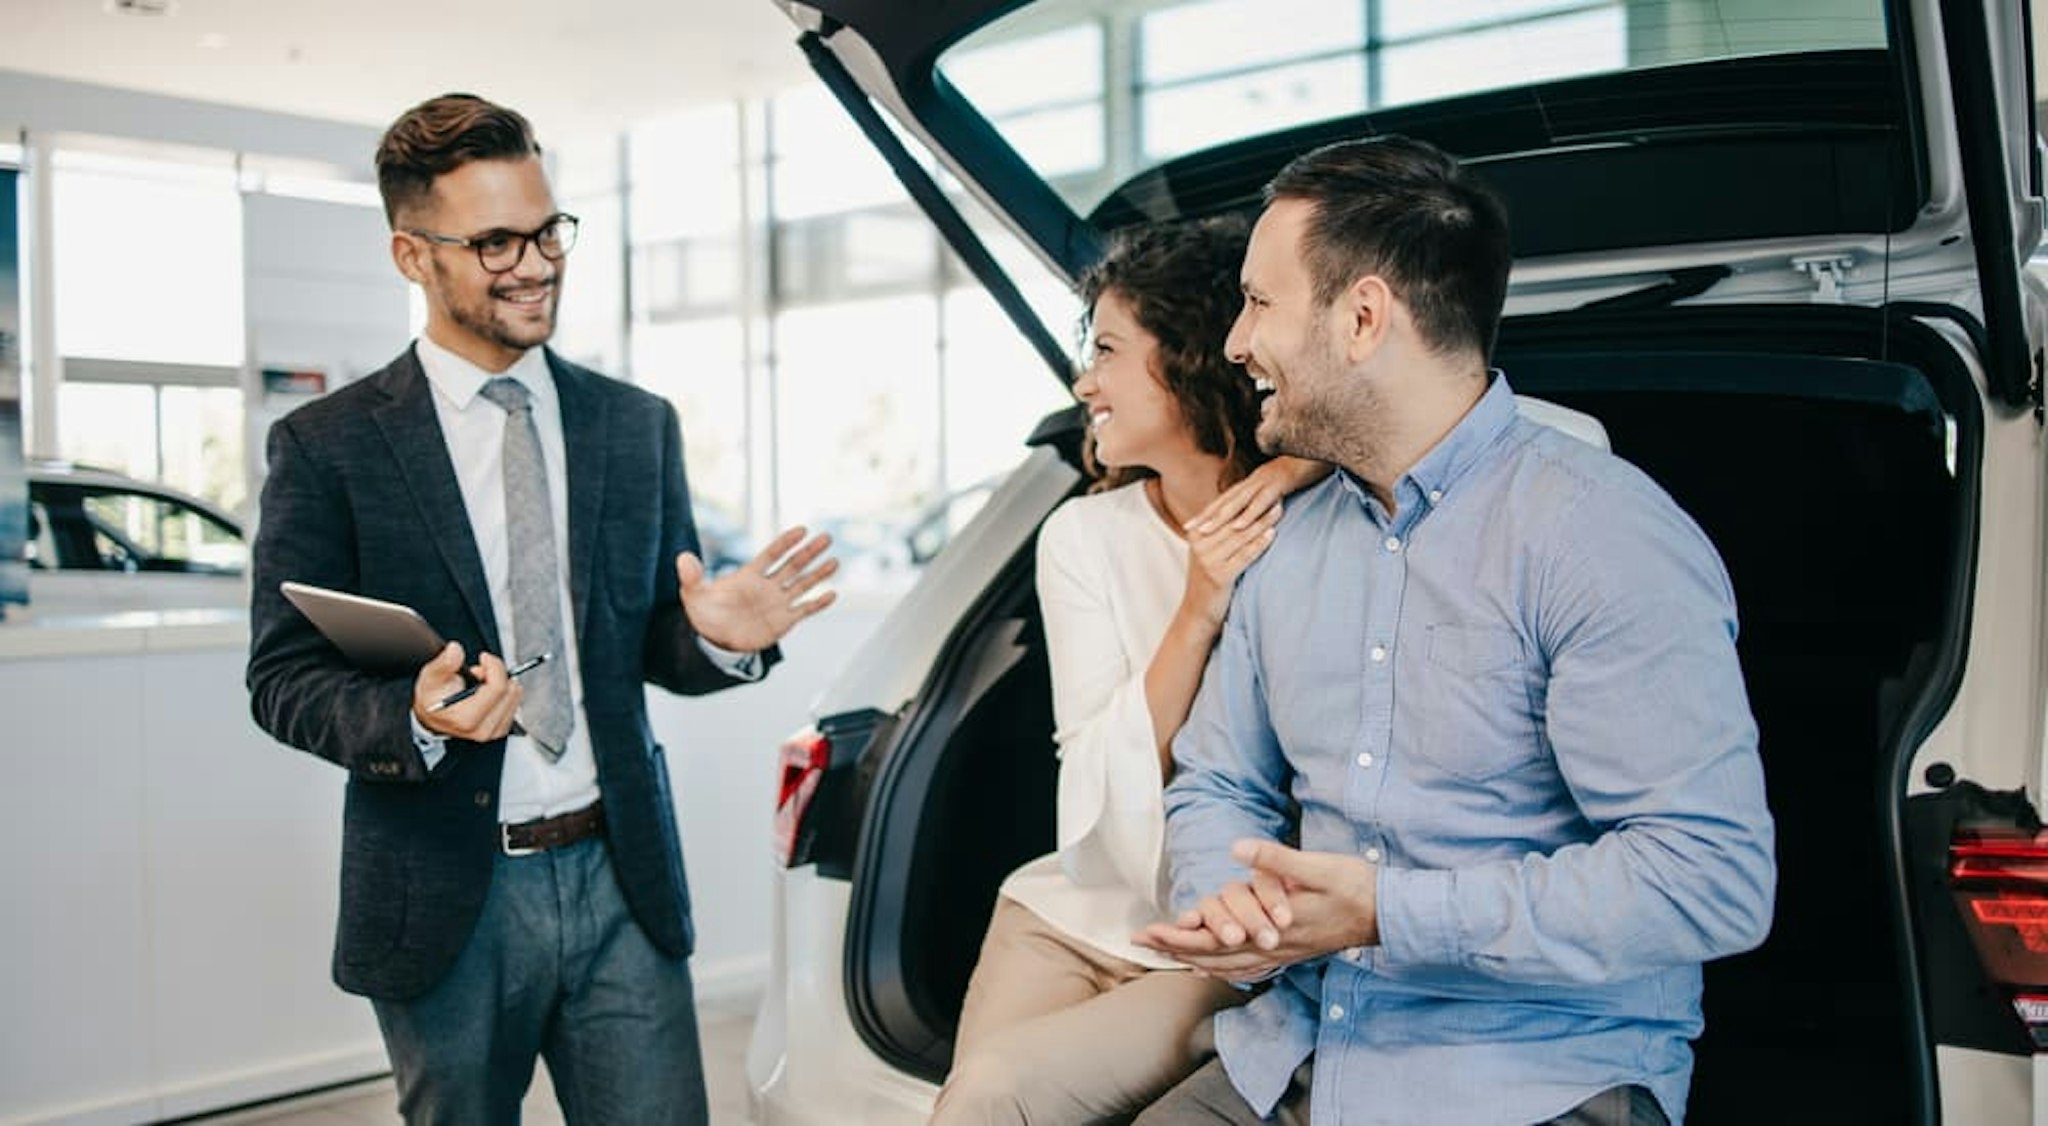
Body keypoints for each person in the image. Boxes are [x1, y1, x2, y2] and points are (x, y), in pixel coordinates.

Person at [1130, 136, 1777, 1126]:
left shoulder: (1600, 535)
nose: (1232, 344)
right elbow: (1219, 779)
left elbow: (1707, 879)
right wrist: (1233, 901)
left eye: (1257, 303)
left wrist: (1387, 909)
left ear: (1361, 318)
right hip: (1299, 1047)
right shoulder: (1287, 543)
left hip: (1532, 1077)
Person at [245, 93, 835, 1125]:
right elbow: (283, 676)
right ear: (410, 255)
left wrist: (719, 641)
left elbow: (654, 635)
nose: (536, 262)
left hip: (622, 875)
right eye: (494, 241)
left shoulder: (631, 425)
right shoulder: (327, 447)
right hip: (444, 892)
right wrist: (414, 719)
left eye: (547, 228)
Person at [931, 217, 1325, 1126]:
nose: (1085, 383)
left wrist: (1301, 466)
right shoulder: (1083, 537)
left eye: (1107, 350)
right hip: (1071, 911)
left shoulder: (1329, 514)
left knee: (999, 1093)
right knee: (970, 1108)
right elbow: (1101, 769)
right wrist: (1198, 604)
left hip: (1213, 944)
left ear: (1191, 358)